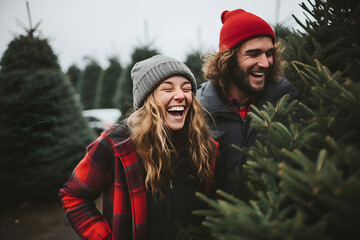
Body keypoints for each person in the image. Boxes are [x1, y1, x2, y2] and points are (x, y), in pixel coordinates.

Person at [59, 55, 218, 240]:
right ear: (148, 99)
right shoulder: (117, 144)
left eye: (187, 89)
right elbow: (73, 196)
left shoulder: (204, 148)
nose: (181, 95)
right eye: (168, 88)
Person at [196, 9, 299, 193]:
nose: (266, 63)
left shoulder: (287, 100)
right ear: (227, 59)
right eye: (253, 54)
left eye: (269, 53)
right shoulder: (199, 109)